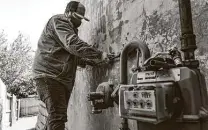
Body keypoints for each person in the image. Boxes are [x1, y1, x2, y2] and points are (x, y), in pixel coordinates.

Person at [32, 1, 111, 130]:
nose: (80, 22)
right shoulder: (59, 21)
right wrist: (99, 54)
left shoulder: (70, 28)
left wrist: (95, 61)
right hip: (50, 76)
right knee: (57, 117)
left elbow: (75, 57)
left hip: (58, 78)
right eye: (77, 18)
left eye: (82, 19)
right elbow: (72, 44)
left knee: (55, 116)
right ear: (68, 12)